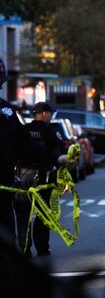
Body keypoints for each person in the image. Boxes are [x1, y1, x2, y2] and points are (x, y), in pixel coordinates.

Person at [15, 102, 70, 258]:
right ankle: (42, 249)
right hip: (42, 178)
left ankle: (24, 248)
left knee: (23, 213)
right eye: (50, 114)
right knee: (43, 214)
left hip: (22, 176)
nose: (51, 117)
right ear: (44, 114)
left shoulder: (23, 131)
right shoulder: (51, 132)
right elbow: (60, 157)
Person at [0, 57, 26, 243]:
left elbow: (21, 139)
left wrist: (54, 158)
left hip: (5, 180)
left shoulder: (6, 109)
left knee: (7, 216)